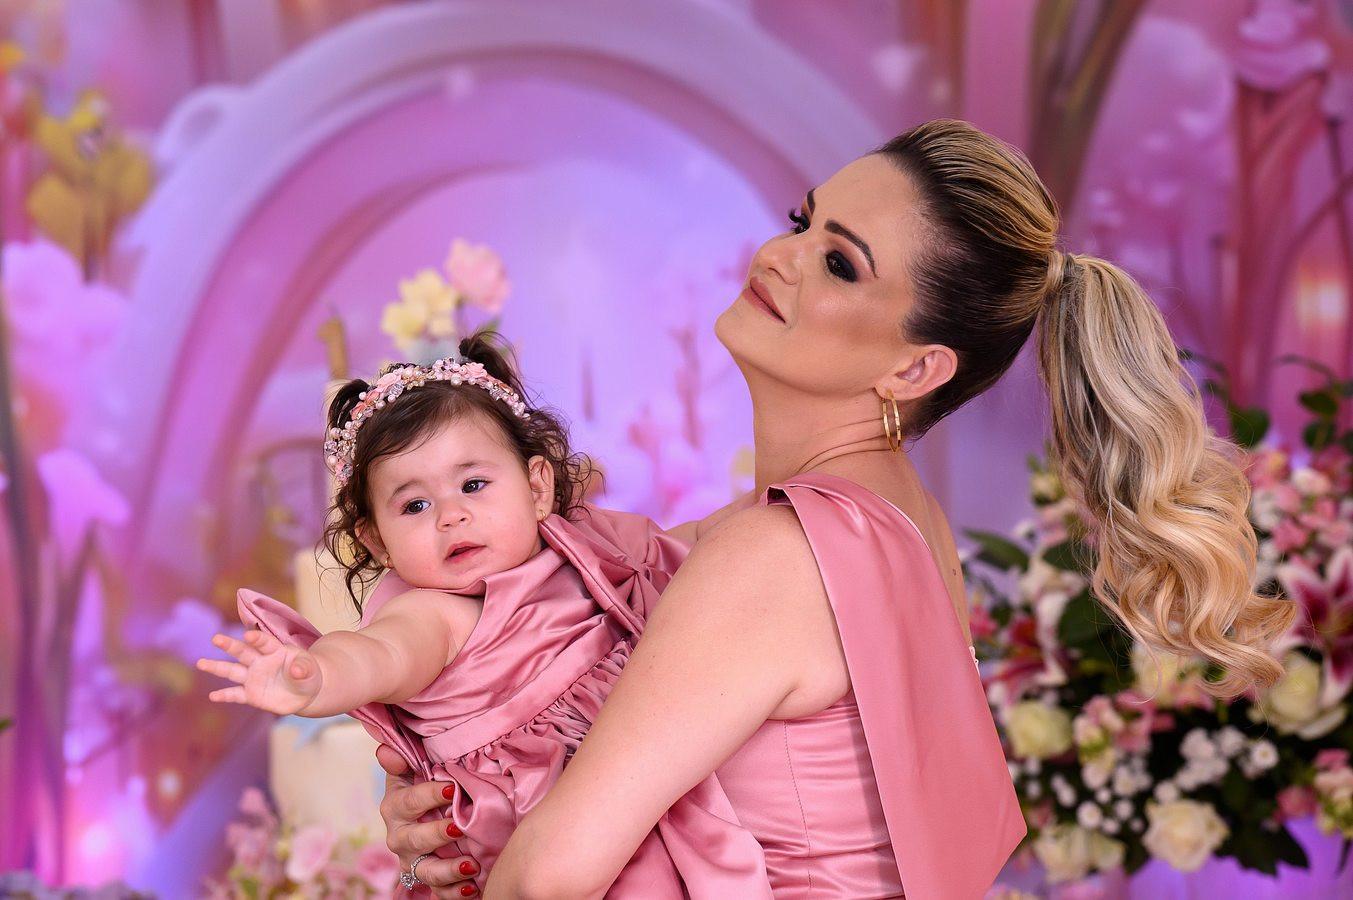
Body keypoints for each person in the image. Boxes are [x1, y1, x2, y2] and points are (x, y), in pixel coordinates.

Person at [377, 118, 1296, 900]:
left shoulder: (777, 555)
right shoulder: (896, 524)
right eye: (802, 221)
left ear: (914, 367)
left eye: (839, 263)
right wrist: (458, 810)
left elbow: (545, 879)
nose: (779, 257)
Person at [197, 333, 775, 898]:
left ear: (538, 487)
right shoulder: (431, 614)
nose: (450, 515)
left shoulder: (585, 547)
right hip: (535, 825)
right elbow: (380, 653)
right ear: (376, 541)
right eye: (415, 505)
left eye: (473, 484)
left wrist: (785, 498)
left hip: (636, 784)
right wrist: (317, 675)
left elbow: (697, 542)